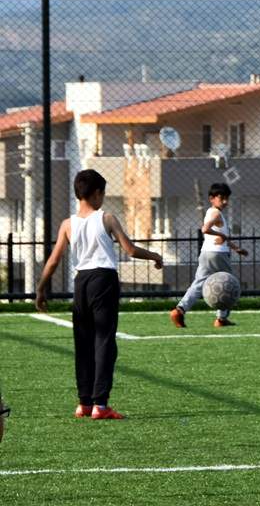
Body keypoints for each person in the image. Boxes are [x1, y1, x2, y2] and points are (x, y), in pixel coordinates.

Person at [35, 169, 164, 420]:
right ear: (96, 193)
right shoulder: (107, 218)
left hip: (80, 282)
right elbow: (130, 249)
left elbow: (53, 260)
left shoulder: (67, 224)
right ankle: (101, 405)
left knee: (82, 343)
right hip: (103, 280)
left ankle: (84, 403)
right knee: (104, 342)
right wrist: (155, 256)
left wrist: (41, 288)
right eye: (102, 193)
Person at [170, 182, 247, 328]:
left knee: (199, 283)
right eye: (221, 198)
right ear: (212, 198)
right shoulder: (217, 213)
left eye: (227, 198)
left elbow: (219, 237)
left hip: (206, 253)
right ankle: (221, 318)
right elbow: (205, 229)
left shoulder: (211, 212)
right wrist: (221, 236)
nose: (225, 201)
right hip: (219, 255)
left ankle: (179, 310)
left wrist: (236, 248)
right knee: (228, 284)